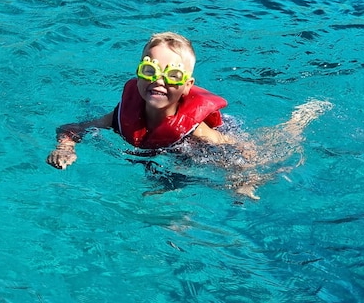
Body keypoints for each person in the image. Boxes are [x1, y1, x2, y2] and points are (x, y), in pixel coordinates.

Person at [46, 31, 331, 199]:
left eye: (172, 76)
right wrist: (65, 148)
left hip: (207, 142)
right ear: (140, 75)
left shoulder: (195, 129)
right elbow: (72, 128)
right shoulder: (121, 115)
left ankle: (298, 120)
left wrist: (245, 179)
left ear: (186, 87)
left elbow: (236, 148)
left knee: (275, 154)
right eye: (150, 70)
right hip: (161, 150)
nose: (159, 81)